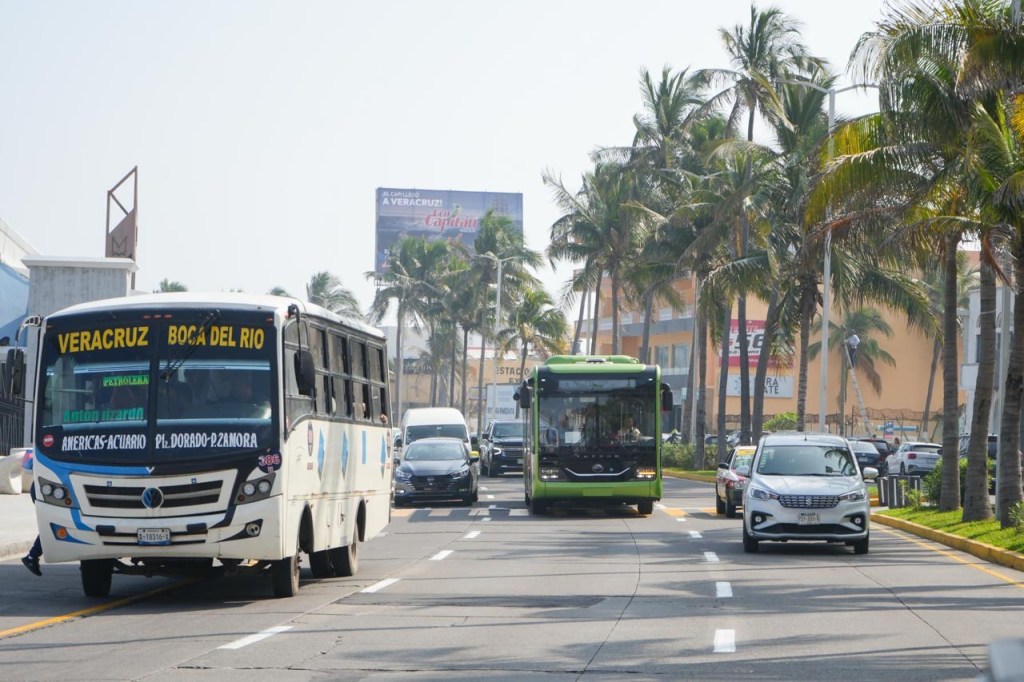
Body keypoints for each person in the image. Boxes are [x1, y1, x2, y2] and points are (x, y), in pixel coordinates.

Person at [21, 450, 42, 576]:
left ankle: (32, 556)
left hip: (39, 487)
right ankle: (32, 556)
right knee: (51, 527)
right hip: (43, 488)